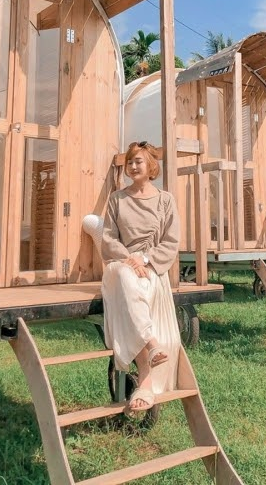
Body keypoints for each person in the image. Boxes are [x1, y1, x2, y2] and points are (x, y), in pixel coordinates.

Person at [101, 141, 181, 413]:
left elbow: (171, 241)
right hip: (120, 265)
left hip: (151, 267)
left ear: (151, 166)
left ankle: (145, 380)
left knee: (136, 287)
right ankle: (151, 343)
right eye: (130, 162)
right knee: (125, 277)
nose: (133, 166)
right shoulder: (117, 199)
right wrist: (129, 259)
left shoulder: (165, 200)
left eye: (139, 162)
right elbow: (108, 239)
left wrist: (145, 260)